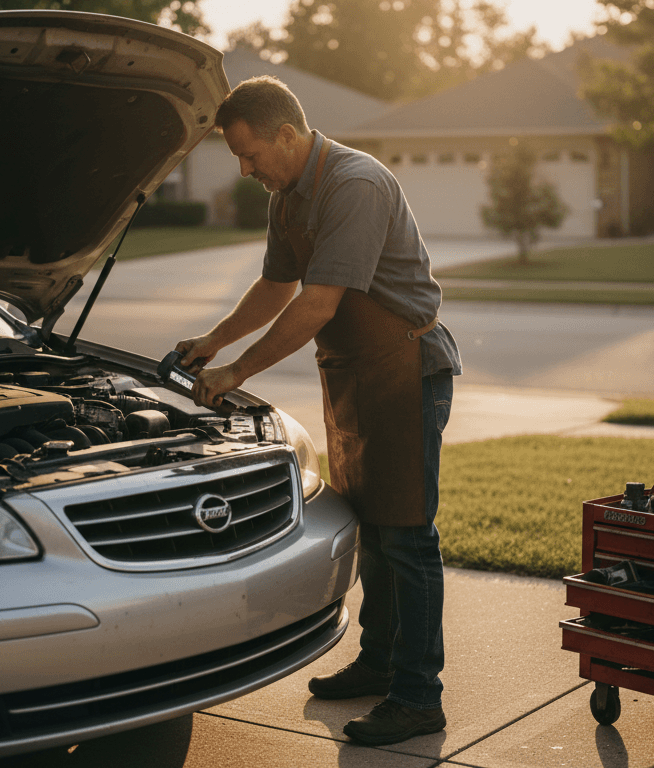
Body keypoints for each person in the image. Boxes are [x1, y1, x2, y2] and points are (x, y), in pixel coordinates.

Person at [175, 75, 461, 747]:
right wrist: (214, 341)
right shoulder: (287, 194)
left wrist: (238, 371)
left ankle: (419, 696)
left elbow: (318, 302)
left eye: (251, 155)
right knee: (373, 526)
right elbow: (278, 284)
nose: (246, 170)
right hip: (356, 374)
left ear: (287, 134)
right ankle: (379, 661)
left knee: (409, 535)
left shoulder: (354, 185)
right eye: (237, 159)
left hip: (406, 368)